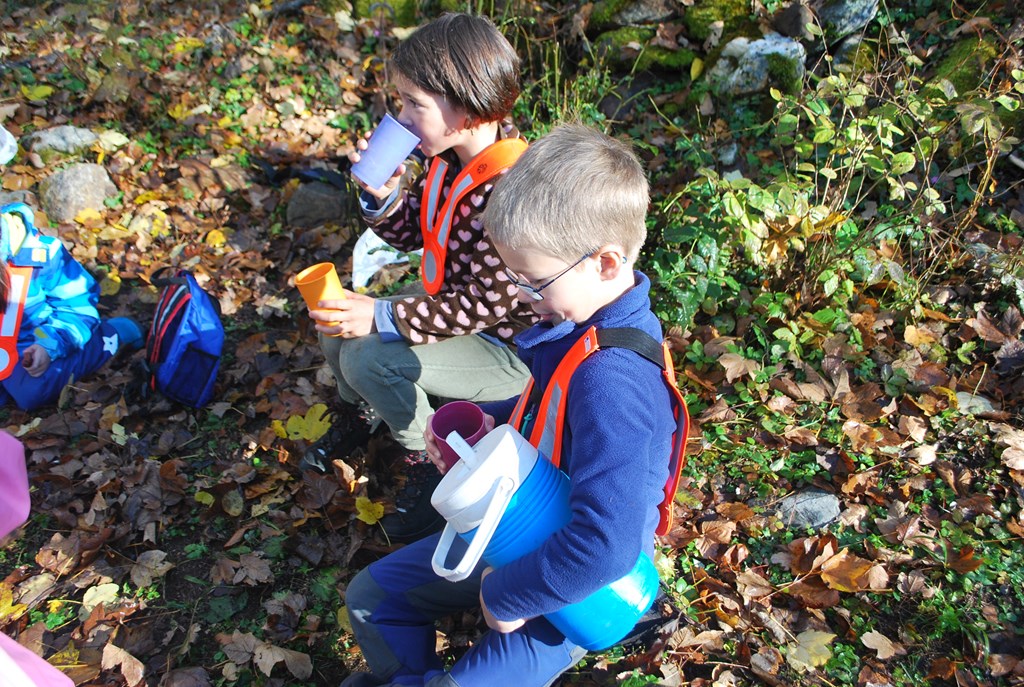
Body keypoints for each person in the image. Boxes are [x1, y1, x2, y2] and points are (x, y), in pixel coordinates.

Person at [339, 124, 684, 687]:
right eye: (514, 277)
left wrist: (506, 593)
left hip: (579, 588)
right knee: (372, 599)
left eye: (533, 281)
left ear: (605, 262)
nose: (521, 296)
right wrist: (493, 422)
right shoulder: (578, 324)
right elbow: (552, 406)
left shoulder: (615, 382)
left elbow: (606, 546)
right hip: (521, 522)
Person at [304, 13, 538, 542]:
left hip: (508, 351)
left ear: (466, 108)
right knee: (337, 319)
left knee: (367, 354)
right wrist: (383, 196)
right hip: (449, 310)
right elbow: (419, 231)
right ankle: (362, 413)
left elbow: (485, 305)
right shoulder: (450, 159)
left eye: (415, 104)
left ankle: (427, 457)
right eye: (401, 102)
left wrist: (382, 315)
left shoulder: (511, 191)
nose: (402, 117)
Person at [0, 201, 143, 411]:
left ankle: (106, 338)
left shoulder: (42, 256)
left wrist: (47, 346)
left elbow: (77, 307)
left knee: (31, 391)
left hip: (37, 337)